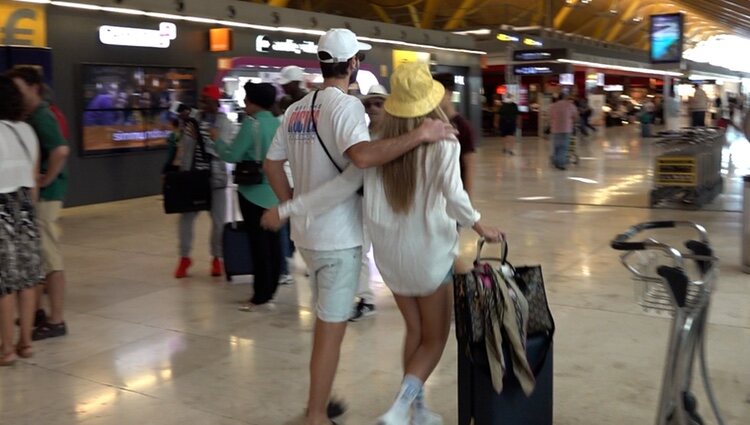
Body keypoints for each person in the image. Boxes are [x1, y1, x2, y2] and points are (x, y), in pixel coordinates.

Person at [263, 62, 503, 425]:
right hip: (430, 257)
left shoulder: (375, 146)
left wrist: (288, 208)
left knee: (416, 332)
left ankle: (416, 411)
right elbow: (455, 198)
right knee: (435, 339)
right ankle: (398, 409)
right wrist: (480, 225)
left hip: (391, 260)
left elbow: (338, 189)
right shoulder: (444, 142)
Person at [7, 66, 70, 341]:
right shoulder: (32, 115)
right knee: (39, 256)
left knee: (50, 257)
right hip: (40, 196)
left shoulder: (42, 115)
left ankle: (57, 320)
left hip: (47, 196)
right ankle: (40, 313)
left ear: (33, 88)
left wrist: (46, 179)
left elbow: (60, 149)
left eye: (18, 89)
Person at [216, 82, 281, 311]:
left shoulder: (251, 125)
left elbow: (232, 154)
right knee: (273, 243)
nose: (244, 104)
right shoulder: (278, 123)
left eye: (247, 100)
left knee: (258, 244)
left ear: (254, 102)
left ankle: (260, 295)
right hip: (276, 191)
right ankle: (272, 287)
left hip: (253, 192)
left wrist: (218, 140)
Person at [0, 75, 43, 365]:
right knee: (27, 279)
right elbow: (34, 181)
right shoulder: (27, 131)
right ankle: (25, 342)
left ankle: (6, 350)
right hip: (25, 208)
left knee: (4, 284)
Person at [173, 85, 232, 278]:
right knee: (185, 219)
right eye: (201, 101)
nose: (203, 105)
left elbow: (221, 151)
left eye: (207, 101)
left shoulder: (225, 123)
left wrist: (205, 139)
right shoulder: (193, 119)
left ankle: (217, 258)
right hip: (193, 177)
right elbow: (185, 145)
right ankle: (184, 257)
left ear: (216, 102)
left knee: (218, 222)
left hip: (216, 179)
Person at [349, 84, 389, 322]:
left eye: (378, 103)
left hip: (390, 203)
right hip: (362, 200)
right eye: (368, 104)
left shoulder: (396, 135)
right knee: (360, 249)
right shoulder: (360, 134)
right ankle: (366, 298)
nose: (372, 108)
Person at [433, 73, 476, 198]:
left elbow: (469, 166)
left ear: (449, 93)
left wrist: (467, 200)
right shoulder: (430, 124)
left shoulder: (463, 127)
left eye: (437, 92)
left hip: (455, 193)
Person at [548, 92, 578, 170]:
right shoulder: (570, 105)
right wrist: (573, 122)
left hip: (555, 129)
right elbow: (575, 116)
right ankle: (561, 163)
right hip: (566, 128)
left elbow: (550, 116)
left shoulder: (553, 106)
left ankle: (555, 161)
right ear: (565, 97)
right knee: (564, 147)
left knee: (556, 146)